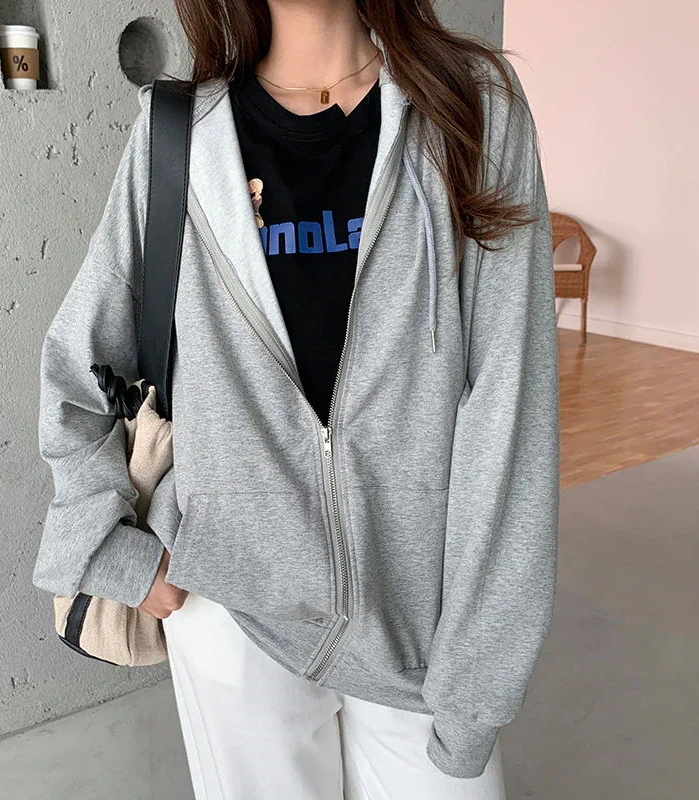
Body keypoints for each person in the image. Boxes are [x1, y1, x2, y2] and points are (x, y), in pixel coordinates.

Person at [32, 1, 559, 797]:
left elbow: (510, 415)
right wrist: (109, 547)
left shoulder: (471, 110)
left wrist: (478, 677)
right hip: (229, 607)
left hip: (420, 624)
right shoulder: (180, 135)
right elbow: (79, 363)